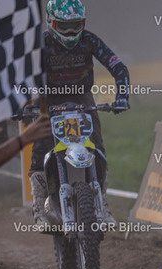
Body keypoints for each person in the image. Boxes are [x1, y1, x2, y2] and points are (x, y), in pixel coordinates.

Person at [30, 0, 130, 227]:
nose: (70, 32)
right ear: (50, 22)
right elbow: (20, 74)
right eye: (63, 26)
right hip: (48, 99)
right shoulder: (39, 46)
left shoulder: (89, 40)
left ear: (83, 23)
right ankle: (39, 209)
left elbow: (119, 67)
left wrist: (122, 98)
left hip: (81, 99)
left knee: (97, 149)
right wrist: (20, 102)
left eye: (75, 25)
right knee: (40, 149)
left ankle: (102, 203)